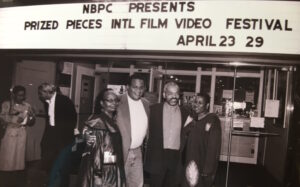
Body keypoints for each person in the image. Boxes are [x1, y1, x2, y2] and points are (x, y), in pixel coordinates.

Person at [77, 89, 125, 187]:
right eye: (110, 100)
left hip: (111, 167)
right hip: (102, 172)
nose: (114, 103)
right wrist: (97, 176)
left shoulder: (111, 121)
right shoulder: (98, 123)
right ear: (102, 103)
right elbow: (96, 153)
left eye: (116, 100)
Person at [145, 81, 189, 187]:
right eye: (170, 93)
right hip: (157, 156)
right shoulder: (153, 110)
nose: (174, 96)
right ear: (164, 95)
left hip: (176, 158)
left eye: (176, 93)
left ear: (179, 95)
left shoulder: (186, 113)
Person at [38, 83, 77, 187]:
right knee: (50, 162)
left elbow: (72, 119)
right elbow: (50, 120)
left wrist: (64, 137)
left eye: (41, 93)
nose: (40, 95)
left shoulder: (64, 101)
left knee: (63, 165)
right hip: (51, 136)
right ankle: (51, 182)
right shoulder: (46, 102)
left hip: (63, 138)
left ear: (48, 92)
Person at [116, 74, 149, 187]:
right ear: (127, 87)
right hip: (120, 152)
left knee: (137, 184)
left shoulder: (146, 104)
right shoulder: (117, 102)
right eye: (135, 87)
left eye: (141, 87)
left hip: (138, 152)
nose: (138, 90)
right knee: (118, 183)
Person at [181, 93, 221, 187]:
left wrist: (208, 169)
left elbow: (214, 147)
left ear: (207, 105)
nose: (196, 105)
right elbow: (183, 135)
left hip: (202, 161)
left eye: (200, 103)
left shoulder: (212, 120)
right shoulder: (192, 118)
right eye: (195, 102)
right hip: (188, 159)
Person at [0, 85, 35, 186]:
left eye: (23, 95)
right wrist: (13, 119)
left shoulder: (27, 106)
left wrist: (31, 118)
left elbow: (31, 122)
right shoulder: (7, 104)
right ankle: (5, 179)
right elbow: (2, 118)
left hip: (21, 133)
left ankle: (17, 180)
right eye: (19, 95)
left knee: (19, 158)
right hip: (10, 132)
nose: (22, 97)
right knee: (8, 158)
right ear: (14, 95)